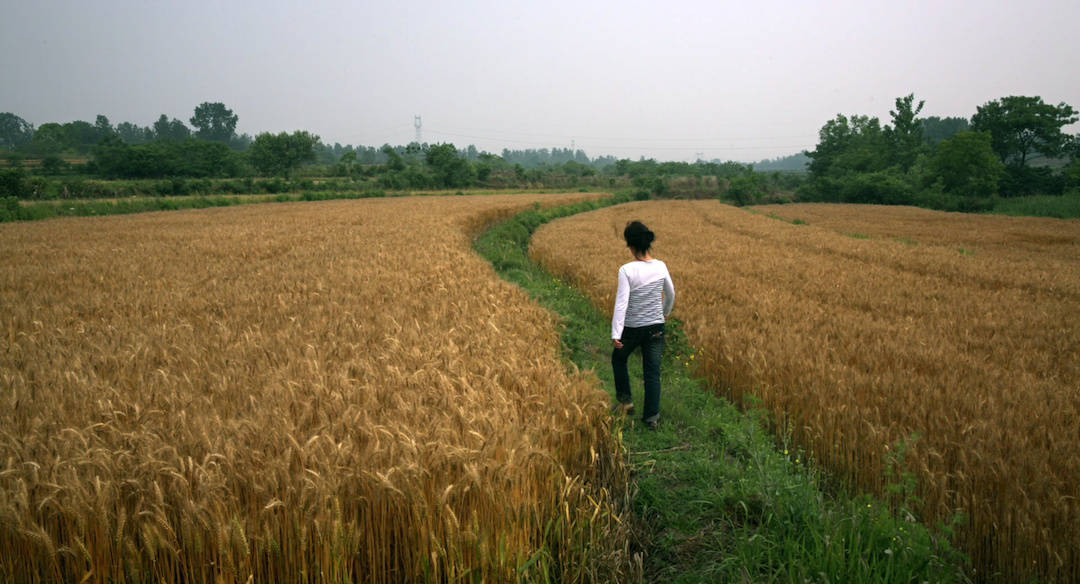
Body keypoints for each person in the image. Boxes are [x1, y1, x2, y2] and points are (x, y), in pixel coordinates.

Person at [611, 220, 675, 429]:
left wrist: (616, 333)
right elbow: (671, 294)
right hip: (656, 327)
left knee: (619, 358)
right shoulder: (661, 266)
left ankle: (626, 402)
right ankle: (651, 418)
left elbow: (622, 304)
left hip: (633, 328)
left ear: (631, 245)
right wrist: (663, 314)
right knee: (652, 372)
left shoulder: (627, 270)